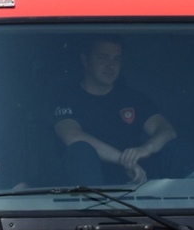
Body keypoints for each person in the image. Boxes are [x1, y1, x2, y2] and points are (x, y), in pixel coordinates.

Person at [52, 36, 182, 185]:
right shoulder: (65, 97)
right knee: (80, 150)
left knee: (177, 147)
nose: (110, 65)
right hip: (86, 192)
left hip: (135, 185)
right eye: (103, 57)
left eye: (116, 59)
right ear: (85, 60)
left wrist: (145, 149)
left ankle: (188, 207)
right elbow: (72, 136)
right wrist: (125, 160)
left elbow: (167, 130)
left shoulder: (133, 98)